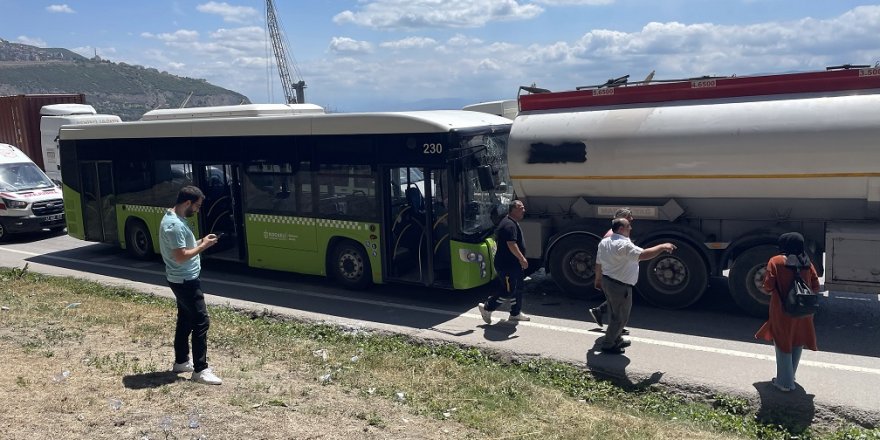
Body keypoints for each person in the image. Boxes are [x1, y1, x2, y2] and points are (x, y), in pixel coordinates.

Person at [160, 185, 222, 385]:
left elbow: (181, 248)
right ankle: (200, 370)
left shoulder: (173, 219)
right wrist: (203, 246)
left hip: (180, 278)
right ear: (187, 202)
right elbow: (180, 256)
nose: (197, 210)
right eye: (197, 206)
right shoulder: (175, 225)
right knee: (201, 322)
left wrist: (200, 241)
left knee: (185, 319)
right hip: (185, 280)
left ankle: (181, 361)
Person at [595, 218, 675, 354]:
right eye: (628, 226)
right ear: (621, 229)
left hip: (608, 282)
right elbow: (643, 255)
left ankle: (617, 338)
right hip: (620, 286)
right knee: (619, 317)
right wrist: (662, 247)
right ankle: (609, 344)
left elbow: (598, 261)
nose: (630, 228)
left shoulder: (605, 242)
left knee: (615, 313)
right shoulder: (623, 245)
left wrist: (598, 278)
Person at [755, 232, 819, 392]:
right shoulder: (807, 262)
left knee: (782, 341)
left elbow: (768, 286)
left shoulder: (775, 261)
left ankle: (785, 383)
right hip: (804, 309)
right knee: (797, 340)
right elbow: (816, 286)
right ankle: (790, 376)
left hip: (782, 309)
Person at [478, 200, 530, 323]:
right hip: (507, 266)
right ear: (513, 210)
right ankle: (487, 308)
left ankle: (515, 313)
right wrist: (522, 258)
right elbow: (511, 244)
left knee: (518, 288)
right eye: (521, 208)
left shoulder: (512, 222)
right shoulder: (509, 225)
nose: (524, 210)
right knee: (508, 291)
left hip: (513, 265)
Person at [591, 208, 633, 333]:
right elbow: (600, 260)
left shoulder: (619, 233)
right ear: (623, 218)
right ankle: (613, 336)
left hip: (618, 275)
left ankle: (611, 324)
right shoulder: (611, 236)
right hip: (615, 275)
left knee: (616, 302)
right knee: (618, 303)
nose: (632, 219)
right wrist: (598, 278)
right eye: (629, 217)